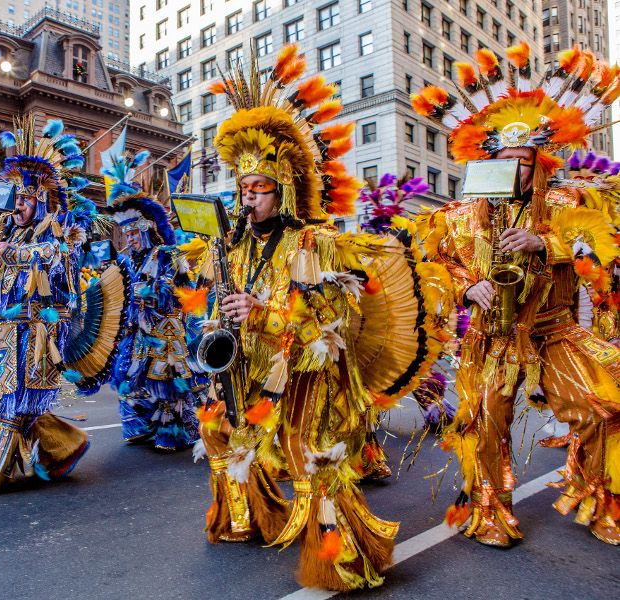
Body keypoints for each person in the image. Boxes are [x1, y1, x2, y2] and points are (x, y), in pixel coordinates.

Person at [194, 44, 442, 591]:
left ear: (281, 190)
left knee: (311, 457)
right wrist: (223, 311)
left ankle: (341, 556)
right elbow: (220, 302)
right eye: (243, 189)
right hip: (245, 365)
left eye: (260, 189)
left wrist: (262, 312)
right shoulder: (231, 245)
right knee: (220, 434)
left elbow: (329, 322)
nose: (249, 198)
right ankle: (251, 518)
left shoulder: (313, 241)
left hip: (302, 369)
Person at [412, 43, 620, 545]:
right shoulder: (458, 215)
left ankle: (596, 492)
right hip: (491, 338)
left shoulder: (569, 199)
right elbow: (437, 265)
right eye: (505, 161)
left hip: (552, 330)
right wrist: (468, 288)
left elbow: (600, 241)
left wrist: (544, 242)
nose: (515, 172)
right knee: (484, 423)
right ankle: (490, 511)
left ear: (540, 163)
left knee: (602, 408)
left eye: (524, 162)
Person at [0, 119, 92, 493]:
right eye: (16, 198)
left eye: (26, 199)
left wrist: (14, 251)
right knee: (5, 398)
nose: (18, 205)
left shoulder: (61, 232)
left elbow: (61, 257)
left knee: (16, 402)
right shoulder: (7, 231)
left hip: (38, 331)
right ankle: (63, 447)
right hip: (4, 328)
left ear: (41, 199)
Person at [104, 154, 206, 451]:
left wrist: (156, 292)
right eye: (125, 232)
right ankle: (138, 424)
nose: (129, 238)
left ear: (147, 229)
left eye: (134, 232)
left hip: (167, 329)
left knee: (168, 381)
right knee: (128, 374)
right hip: (136, 329)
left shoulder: (169, 255)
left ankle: (174, 431)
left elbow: (184, 293)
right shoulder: (124, 259)